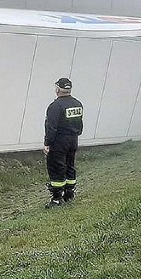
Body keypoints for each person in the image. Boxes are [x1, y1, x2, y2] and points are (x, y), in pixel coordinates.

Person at [43, 77, 83, 207]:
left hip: (59, 141)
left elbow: (51, 127)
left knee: (57, 167)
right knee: (70, 165)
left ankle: (56, 198)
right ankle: (70, 193)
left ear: (57, 89)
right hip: (73, 139)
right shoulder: (77, 104)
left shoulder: (55, 106)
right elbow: (80, 124)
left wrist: (48, 143)